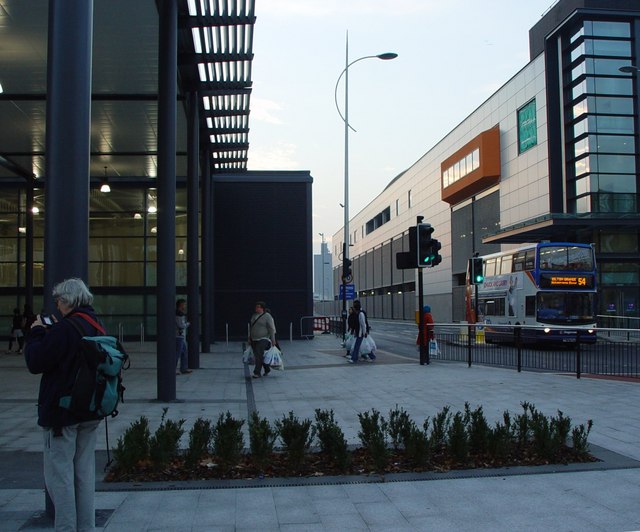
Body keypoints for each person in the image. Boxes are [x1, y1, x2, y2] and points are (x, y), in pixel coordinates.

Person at [24, 278, 104, 531]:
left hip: (62, 414)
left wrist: (37, 331)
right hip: (90, 411)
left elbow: (36, 362)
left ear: (68, 301)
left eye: (58, 300)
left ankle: (66, 528)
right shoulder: (96, 325)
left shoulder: (65, 329)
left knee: (60, 478)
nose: (56, 306)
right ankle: (86, 527)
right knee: (83, 474)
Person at [249, 301, 276, 378]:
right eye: (256, 307)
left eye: (258, 307)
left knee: (258, 353)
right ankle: (267, 368)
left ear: (262, 308)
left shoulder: (267, 316)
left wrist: (273, 339)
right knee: (259, 355)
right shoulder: (254, 316)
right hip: (254, 338)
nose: (256, 308)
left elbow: (271, 328)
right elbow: (251, 327)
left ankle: (257, 372)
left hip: (264, 338)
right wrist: (249, 337)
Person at [347, 300, 369, 364]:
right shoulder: (357, 313)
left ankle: (354, 358)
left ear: (355, 307)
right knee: (360, 345)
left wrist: (365, 332)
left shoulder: (360, 314)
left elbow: (363, 324)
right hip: (358, 332)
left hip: (360, 332)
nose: (353, 307)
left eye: (353, 306)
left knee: (357, 346)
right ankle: (371, 356)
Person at [175, 298, 192, 375]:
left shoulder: (179, 313)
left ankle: (184, 368)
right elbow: (181, 325)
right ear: (181, 305)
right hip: (178, 336)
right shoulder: (179, 314)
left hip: (180, 336)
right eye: (184, 304)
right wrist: (187, 324)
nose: (185, 306)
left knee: (184, 352)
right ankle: (174, 369)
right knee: (177, 353)